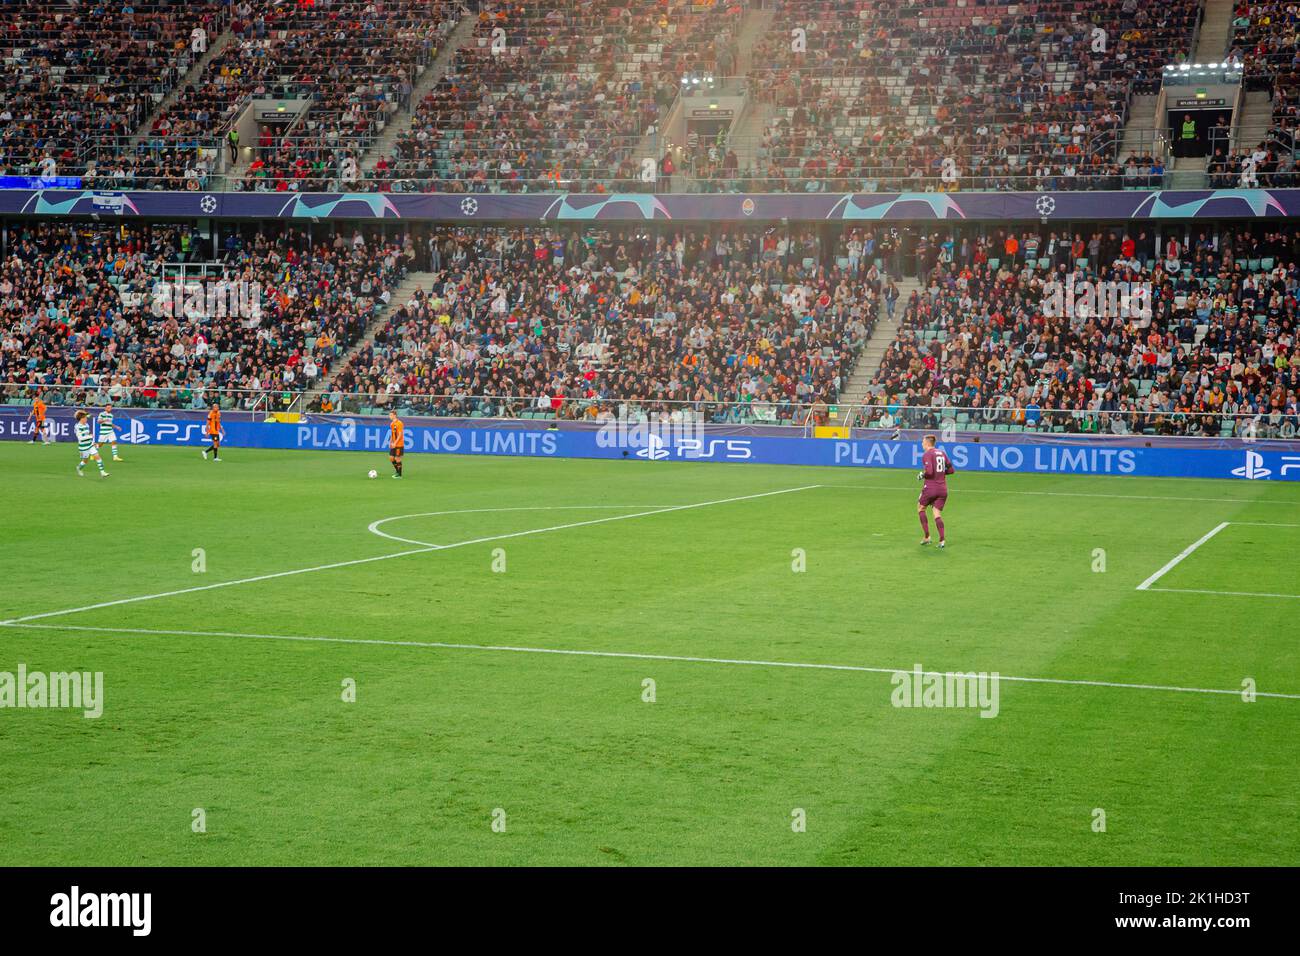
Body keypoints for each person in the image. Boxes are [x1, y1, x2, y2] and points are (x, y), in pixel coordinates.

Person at [916, 434, 954, 548]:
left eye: (923, 442)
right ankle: (942, 540)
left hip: (930, 488)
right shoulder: (942, 453)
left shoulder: (927, 454)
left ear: (928, 443)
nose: (922, 444)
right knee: (937, 513)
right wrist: (941, 473)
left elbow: (930, 472)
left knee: (920, 508)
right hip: (943, 489)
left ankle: (927, 537)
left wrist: (922, 475)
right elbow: (951, 470)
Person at [74, 411, 108, 478]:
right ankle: (79, 468)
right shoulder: (78, 427)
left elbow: (88, 434)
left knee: (97, 456)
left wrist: (92, 442)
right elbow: (80, 438)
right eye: (85, 418)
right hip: (83, 447)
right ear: (82, 419)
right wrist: (90, 436)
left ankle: (102, 472)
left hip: (90, 445)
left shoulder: (86, 425)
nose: (86, 419)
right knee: (85, 461)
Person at [387, 410, 405, 478]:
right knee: (391, 458)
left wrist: (395, 443)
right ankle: (397, 471)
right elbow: (392, 434)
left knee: (397, 459)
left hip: (399, 444)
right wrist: (391, 442)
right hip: (393, 444)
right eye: (389, 415)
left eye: (391, 415)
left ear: (395, 415)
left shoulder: (399, 423)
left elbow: (400, 434)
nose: (390, 416)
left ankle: (399, 474)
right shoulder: (391, 424)